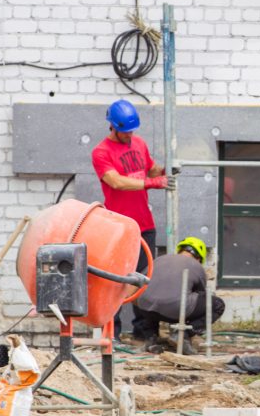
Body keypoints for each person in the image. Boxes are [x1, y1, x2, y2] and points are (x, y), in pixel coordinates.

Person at [91, 99, 175, 340]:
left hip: (144, 224)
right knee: (115, 280)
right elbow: (116, 181)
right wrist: (152, 183)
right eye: (125, 132)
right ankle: (112, 332)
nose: (129, 135)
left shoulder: (139, 143)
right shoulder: (101, 152)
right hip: (118, 226)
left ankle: (144, 331)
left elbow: (151, 169)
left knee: (143, 279)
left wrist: (166, 169)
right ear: (113, 127)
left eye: (131, 131)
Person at [135, 236, 226, 356]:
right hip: (176, 308)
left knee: (148, 296)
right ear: (198, 258)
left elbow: (138, 283)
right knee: (217, 305)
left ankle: (151, 338)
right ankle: (183, 335)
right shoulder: (196, 266)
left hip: (146, 308)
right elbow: (200, 295)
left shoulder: (160, 259)